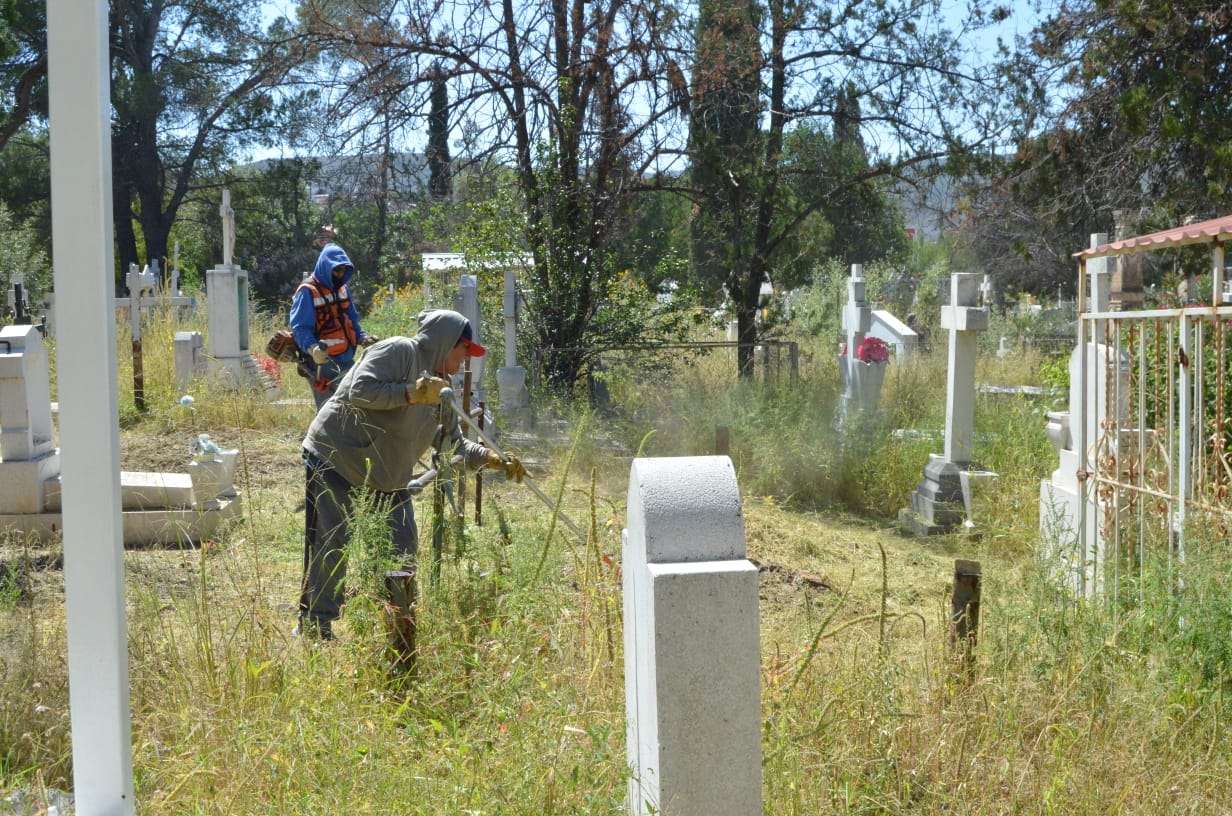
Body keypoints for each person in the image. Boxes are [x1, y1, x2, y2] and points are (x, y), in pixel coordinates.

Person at [296, 309, 525, 640]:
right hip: (337, 458)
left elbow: (451, 448)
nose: (464, 362)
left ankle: (399, 628)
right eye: (463, 351)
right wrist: (411, 393)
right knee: (332, 543)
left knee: (402, 546)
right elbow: (359, 390)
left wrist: (493, 459)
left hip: (386, 476)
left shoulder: (441, 391)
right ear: (445, 343)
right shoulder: (399, 351)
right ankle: (316, 628)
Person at [290, 236, 377, 409]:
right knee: (329, 411)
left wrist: (362, 337)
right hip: (321, 363)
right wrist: (313, 349)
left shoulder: (342, 289)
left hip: (345, 357)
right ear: (325, 267)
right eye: (336, 270)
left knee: (352, 406)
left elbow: (352, 318)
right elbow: (300, 327)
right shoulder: (308, 291)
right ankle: (321, 437)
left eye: (344, 270)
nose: (340, 274)